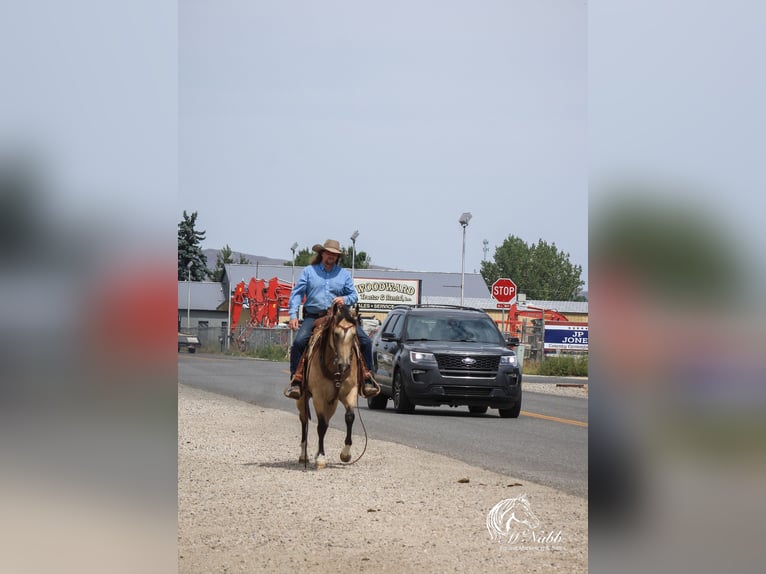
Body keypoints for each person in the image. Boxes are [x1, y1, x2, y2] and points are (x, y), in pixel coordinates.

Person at [283, 238, 378, 400]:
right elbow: (297, 293)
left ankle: (367, 378)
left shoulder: (344, 274)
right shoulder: (309, 271)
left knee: (365, 341)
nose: (331, 256)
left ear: (337, 257)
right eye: (328, 253)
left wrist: (344, 299)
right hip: (314, 316)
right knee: (299, 342)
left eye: (334, 254)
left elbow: (354, 295)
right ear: (322, 253)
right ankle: (296, 380)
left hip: (339, 317)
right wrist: (293, 315)